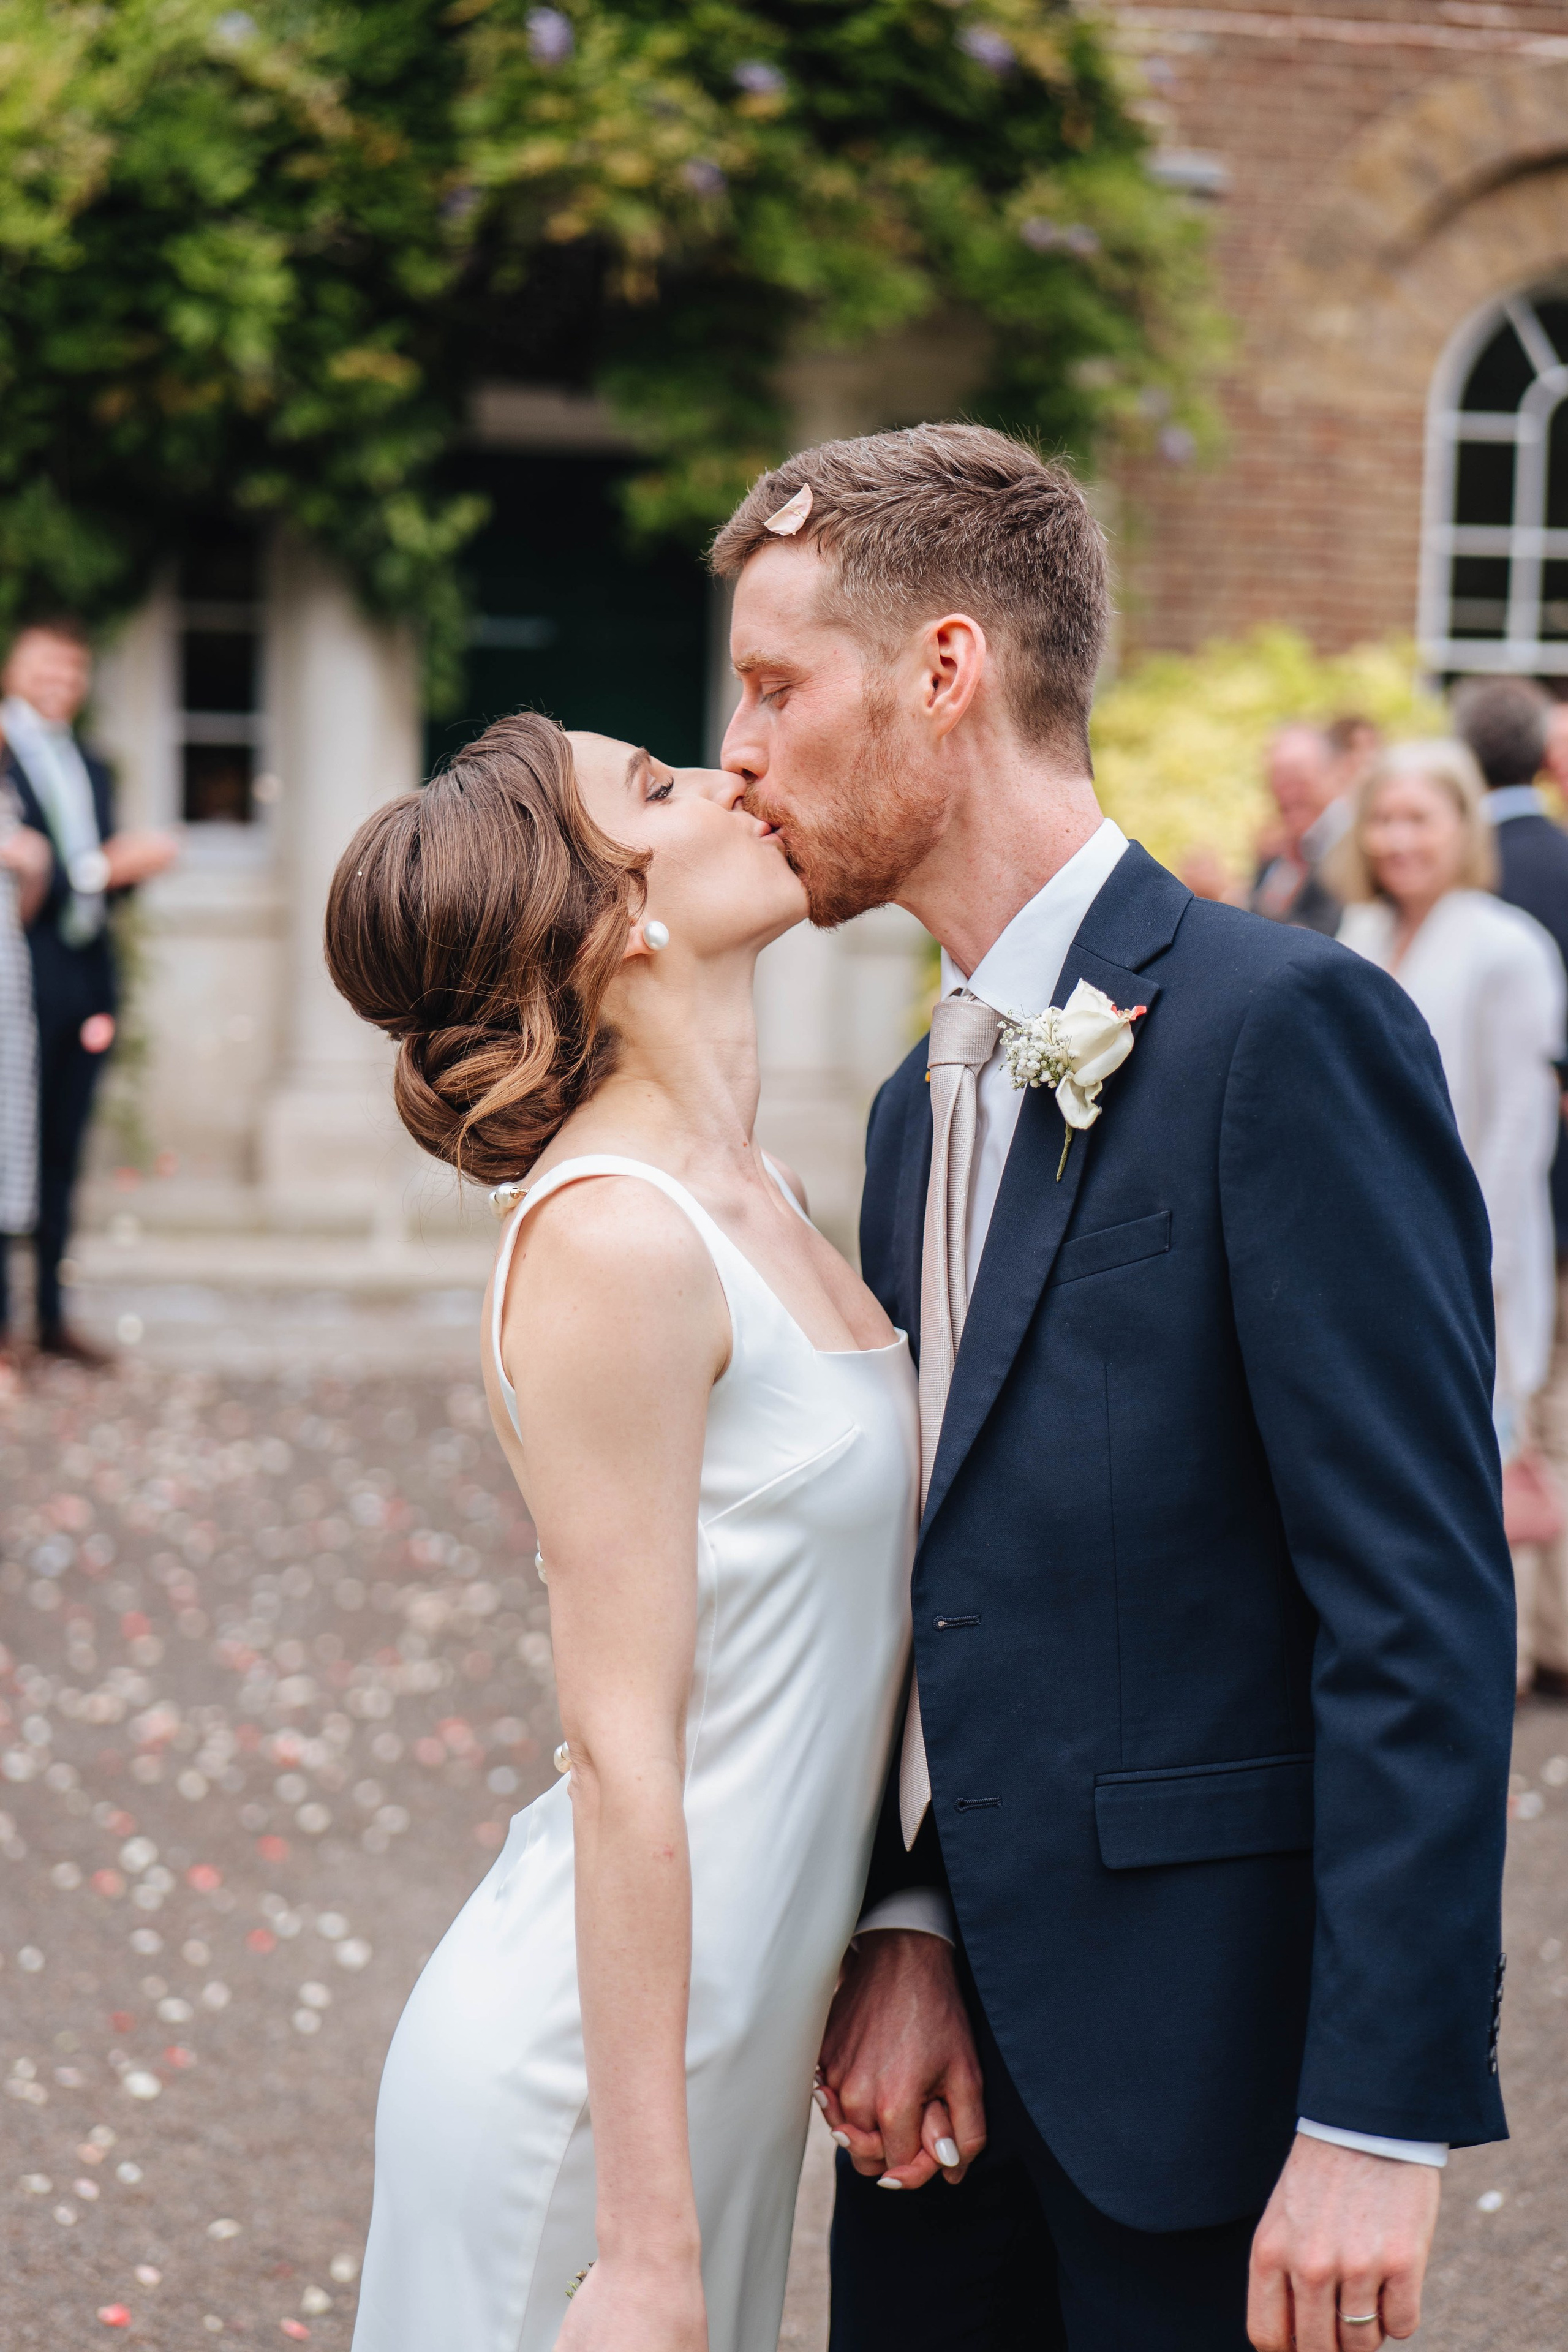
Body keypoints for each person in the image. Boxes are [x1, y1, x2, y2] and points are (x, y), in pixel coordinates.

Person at [710, 423, 1515, 2352]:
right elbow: (950, 1562)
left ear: (943, 668)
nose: (738, 749)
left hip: (1215, 2098)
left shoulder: (1288, 1029)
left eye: (770, 683)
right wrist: (908, 1924)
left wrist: (1371, 2111)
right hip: (941, 2098)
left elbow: (1413, 1605)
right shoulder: (916, 1103)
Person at [323, 714, 919, 2352]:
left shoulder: (764, 1195)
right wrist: (643, 2242)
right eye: (659, 789)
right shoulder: (613, 1243)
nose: (734, 776)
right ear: (611, 923)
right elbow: (623, 1749)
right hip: (583, 2109)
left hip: (725, 2062)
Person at [1331, 741, 1566, 1698]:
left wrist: (1486, 1266)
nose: (1397, 840)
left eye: (1419, 819)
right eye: (1383, 819)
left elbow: (1518, 1131)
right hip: (1363, 1241)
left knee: (1489, 1445)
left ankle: (1492, 1672)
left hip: (1472, 1244)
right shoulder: (1356, 928)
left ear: (1462, 828)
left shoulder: (1507, 944)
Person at [1, 617, 176, 1363]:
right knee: (12, 1141)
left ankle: (50, 1316)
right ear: (15, 666)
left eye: (74, 670)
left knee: (65, 1147)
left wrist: (123, 872)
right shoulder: (2, 754)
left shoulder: (94, 766)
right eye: (47, 665)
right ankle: (4, 1323)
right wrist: (98, 869)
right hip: (15, 972)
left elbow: (94, 882)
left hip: (84, 974)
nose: (61, 681)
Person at [1452, 676, 1568, 1698]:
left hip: (1504, 1209)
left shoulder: (1479, 900)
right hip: (1536, 1200)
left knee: (1521, 1409)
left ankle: (1527, 1645)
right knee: (1546, 1409)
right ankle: (1552, 1637)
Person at [0, 769, 51, 1381]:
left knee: (10, 1153)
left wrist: (32, 865)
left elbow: (23, 912)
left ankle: (8, 1328)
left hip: (9, 980)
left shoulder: (12, 788)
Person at [1248, 723, 1343, 933]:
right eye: (1277, 780)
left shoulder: (1349, 844)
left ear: (1331, 775)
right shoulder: (1277, 853)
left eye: (1298, 780)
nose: (1287, 793)